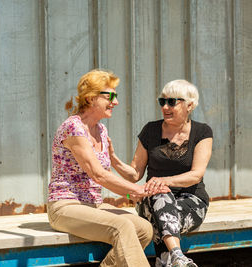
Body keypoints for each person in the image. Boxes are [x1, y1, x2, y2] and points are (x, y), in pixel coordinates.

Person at [47, 69, 170, 267]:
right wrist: (137, 190)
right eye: (110, 96)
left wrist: (134, 187)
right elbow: (98, 175)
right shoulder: (73, 127)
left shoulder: (101, 130)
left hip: (94, 205)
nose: (116, 102)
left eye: (116, 96)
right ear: (90, 98)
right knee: (122, 226)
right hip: (66, 206)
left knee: (144, 229)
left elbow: (111, 172)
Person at [108, 79, 213, 267]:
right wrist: (113, 159)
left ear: (190, 105)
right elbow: (135, 174)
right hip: (152, 201)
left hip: (191, 201)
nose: (165, 107)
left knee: (161, 216)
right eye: (162, 102)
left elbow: (196, 175)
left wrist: (162, 180)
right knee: (161, 196)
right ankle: (177, 256)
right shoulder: (151, 130)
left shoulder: (202, 132)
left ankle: (166, 260)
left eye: (172, 102)